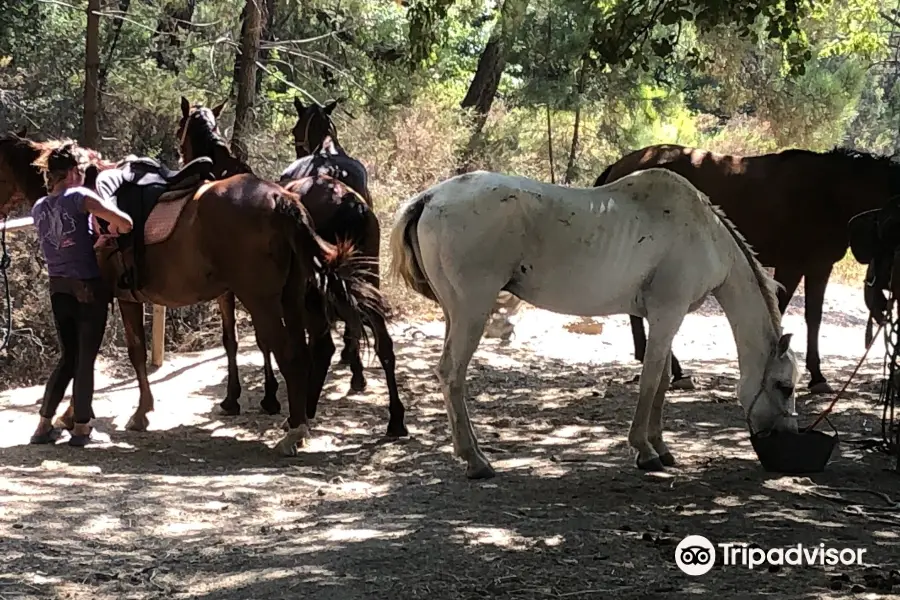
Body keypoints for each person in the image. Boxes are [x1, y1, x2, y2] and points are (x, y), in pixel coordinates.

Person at [29, 140, 133, 447]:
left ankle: (43, 425)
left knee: (68, 357)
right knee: (86, 359)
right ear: (73, 171)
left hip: (58, 287)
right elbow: (125, 223)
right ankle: (83, 428)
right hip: (87, 287)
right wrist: (113, 233)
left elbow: (64, 242)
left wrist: (91, 244)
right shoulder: (81, 196)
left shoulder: (39, 207)